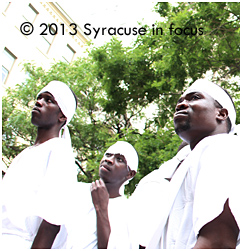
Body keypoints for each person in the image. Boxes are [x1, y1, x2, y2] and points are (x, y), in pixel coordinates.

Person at [132, 79, 240, 249]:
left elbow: (218, 243)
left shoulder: (223, 147)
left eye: (194, 98)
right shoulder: (193, 161)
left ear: (222, 114)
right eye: (180, 101)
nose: (181, 105)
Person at [1, 81, 78, 248]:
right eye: (39, 98)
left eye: (49, 100)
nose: (39, 102)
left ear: (62, 116)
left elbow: (52, 221)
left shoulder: (59, 151)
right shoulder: (27, 153)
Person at [62, 141, 139, 249]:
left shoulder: (128, 212)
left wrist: (101, 208)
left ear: (130, 174)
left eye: (119, 159)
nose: (109, 160)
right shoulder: (76, 191)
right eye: (108, 155)